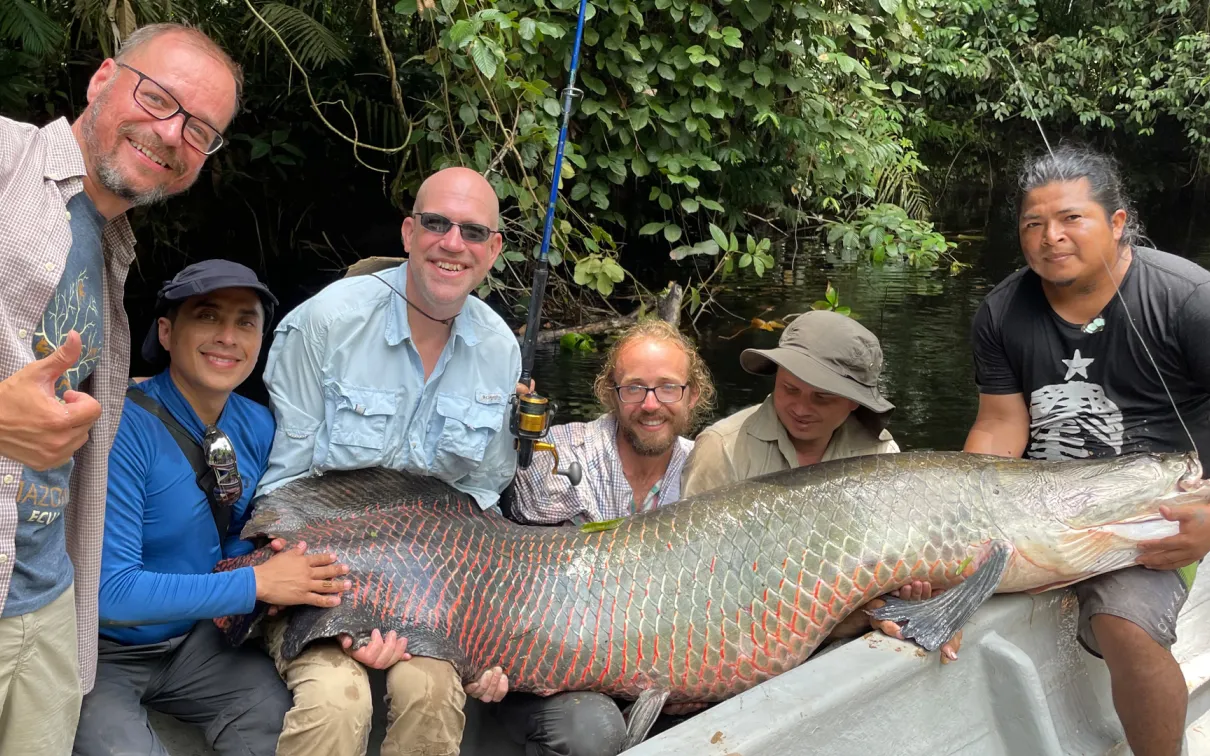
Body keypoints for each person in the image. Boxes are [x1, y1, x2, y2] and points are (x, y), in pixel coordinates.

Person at [0, 21, 241, 753]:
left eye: (200, 129)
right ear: (102, 79)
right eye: (159, 98)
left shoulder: (110, 252)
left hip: (43, 604)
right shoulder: (5, 158)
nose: (172, 134)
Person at [257, 166, 518, 756]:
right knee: (335, 704)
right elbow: (284, 488)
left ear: (493, 250)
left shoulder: (500, 347)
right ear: (407, 232)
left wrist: (460, 620)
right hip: (321, 573)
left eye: (474, 232)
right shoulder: (323, 324)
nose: (453, 244)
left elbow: (481, 493)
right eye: (436, 224)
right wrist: (356, 605)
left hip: (431, 588)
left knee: (431, 695)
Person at [964, 144, 1210, 756]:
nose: (1051, 237)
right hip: (1038, 512)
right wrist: (961, 517)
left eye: (1072, 218)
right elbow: (998, 428)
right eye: (1033, 223)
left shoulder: (1188, 299)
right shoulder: (1000, 312)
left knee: (1123, 619)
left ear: (1118, 222)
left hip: (1156, 512)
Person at [72, 260, 351, 756]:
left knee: (285, 725)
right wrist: (257, 583)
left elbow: (244, 533)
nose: (228, 336)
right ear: (165, 330)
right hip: (100, 653)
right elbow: (109, 594)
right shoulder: (120, 428)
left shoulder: (258, 424)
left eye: (246, 322)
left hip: (197, 644)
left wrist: (271, 561)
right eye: (206, 315)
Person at [498, 319, 715, 756]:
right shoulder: (555, 453)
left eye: (668, 388)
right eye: (634, 388)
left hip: (665, 666)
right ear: (610, 393)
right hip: (561, 667)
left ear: (693, 395)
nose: (651, 405)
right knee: (592, 729)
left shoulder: (710, 470)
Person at [680, 309, 900, 498]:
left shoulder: (880, 455)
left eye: (821, 397)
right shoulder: (722, 450)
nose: (801, 409)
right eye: (790, 389)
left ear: (854, 402)